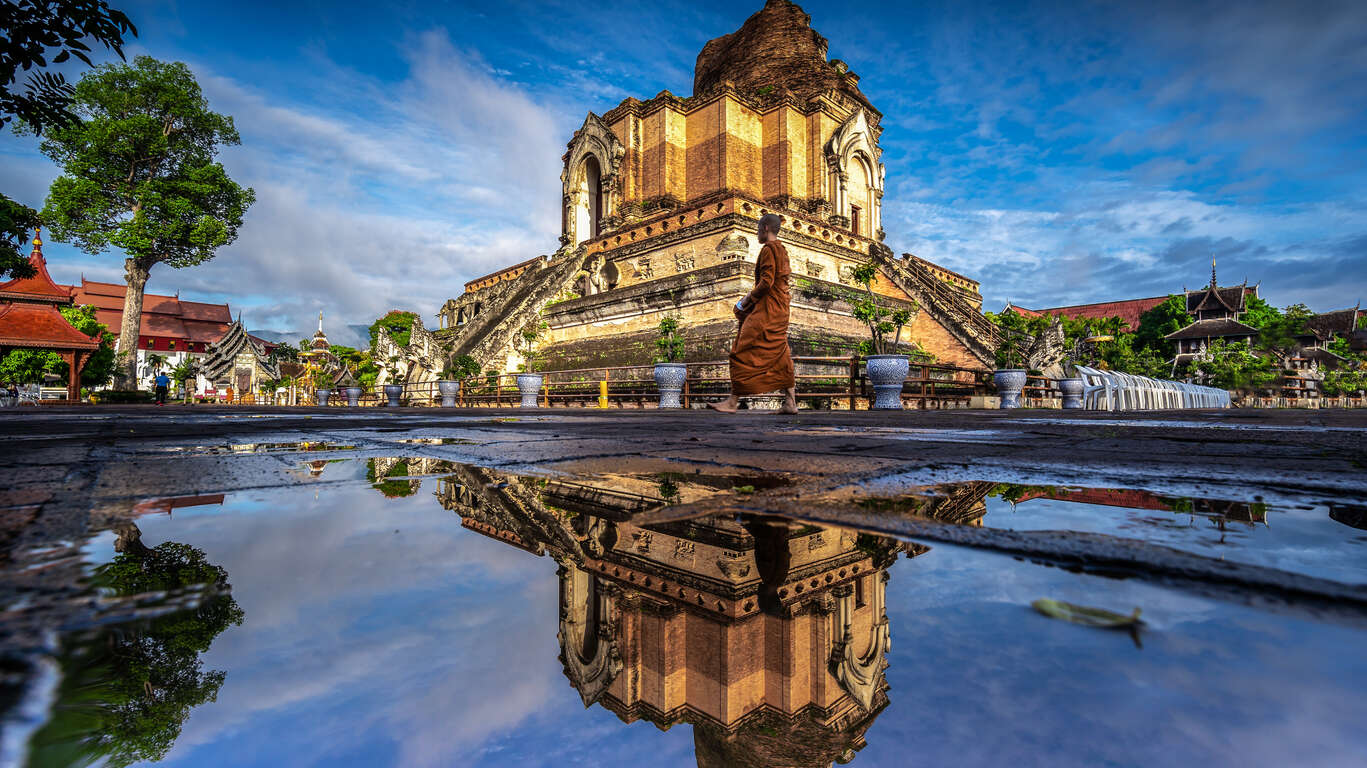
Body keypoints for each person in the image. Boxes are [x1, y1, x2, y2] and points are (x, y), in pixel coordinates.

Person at [710, 213, 798, 414]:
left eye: (759, 228)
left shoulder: (769, 249)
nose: (757, 232)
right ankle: (790, 402)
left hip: (768, 308)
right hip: (781, 308)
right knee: (780, 350)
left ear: (766, 228)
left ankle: (732, 401)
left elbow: (766, 282)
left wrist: (745, 301)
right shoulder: (782, 249)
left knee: (741, 348)